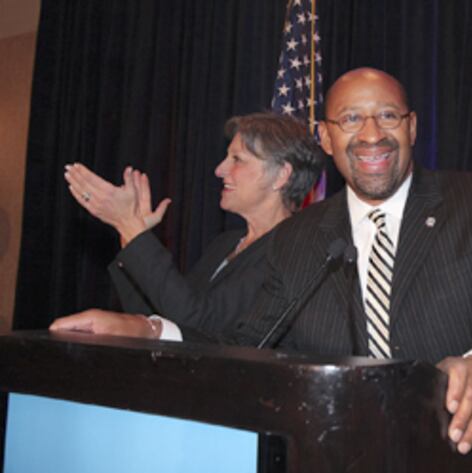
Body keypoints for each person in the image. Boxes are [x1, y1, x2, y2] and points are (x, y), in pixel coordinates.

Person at [52, 68, 472, 455]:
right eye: (350, 119)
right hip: (332, 468)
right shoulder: (298, 238)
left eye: (387, 116)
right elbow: (241, 342)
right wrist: (142, 329)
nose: (370, 135)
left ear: (412, 126)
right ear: (325, 136)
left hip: (460, 463)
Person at [62, 112, 324, 337]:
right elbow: (163, 323)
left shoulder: (293, 252)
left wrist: (133, 229)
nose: (220, 170)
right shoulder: (225, 243)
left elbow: (202, 325)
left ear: (281, 175)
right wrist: (128, 233)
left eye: (237, 159)